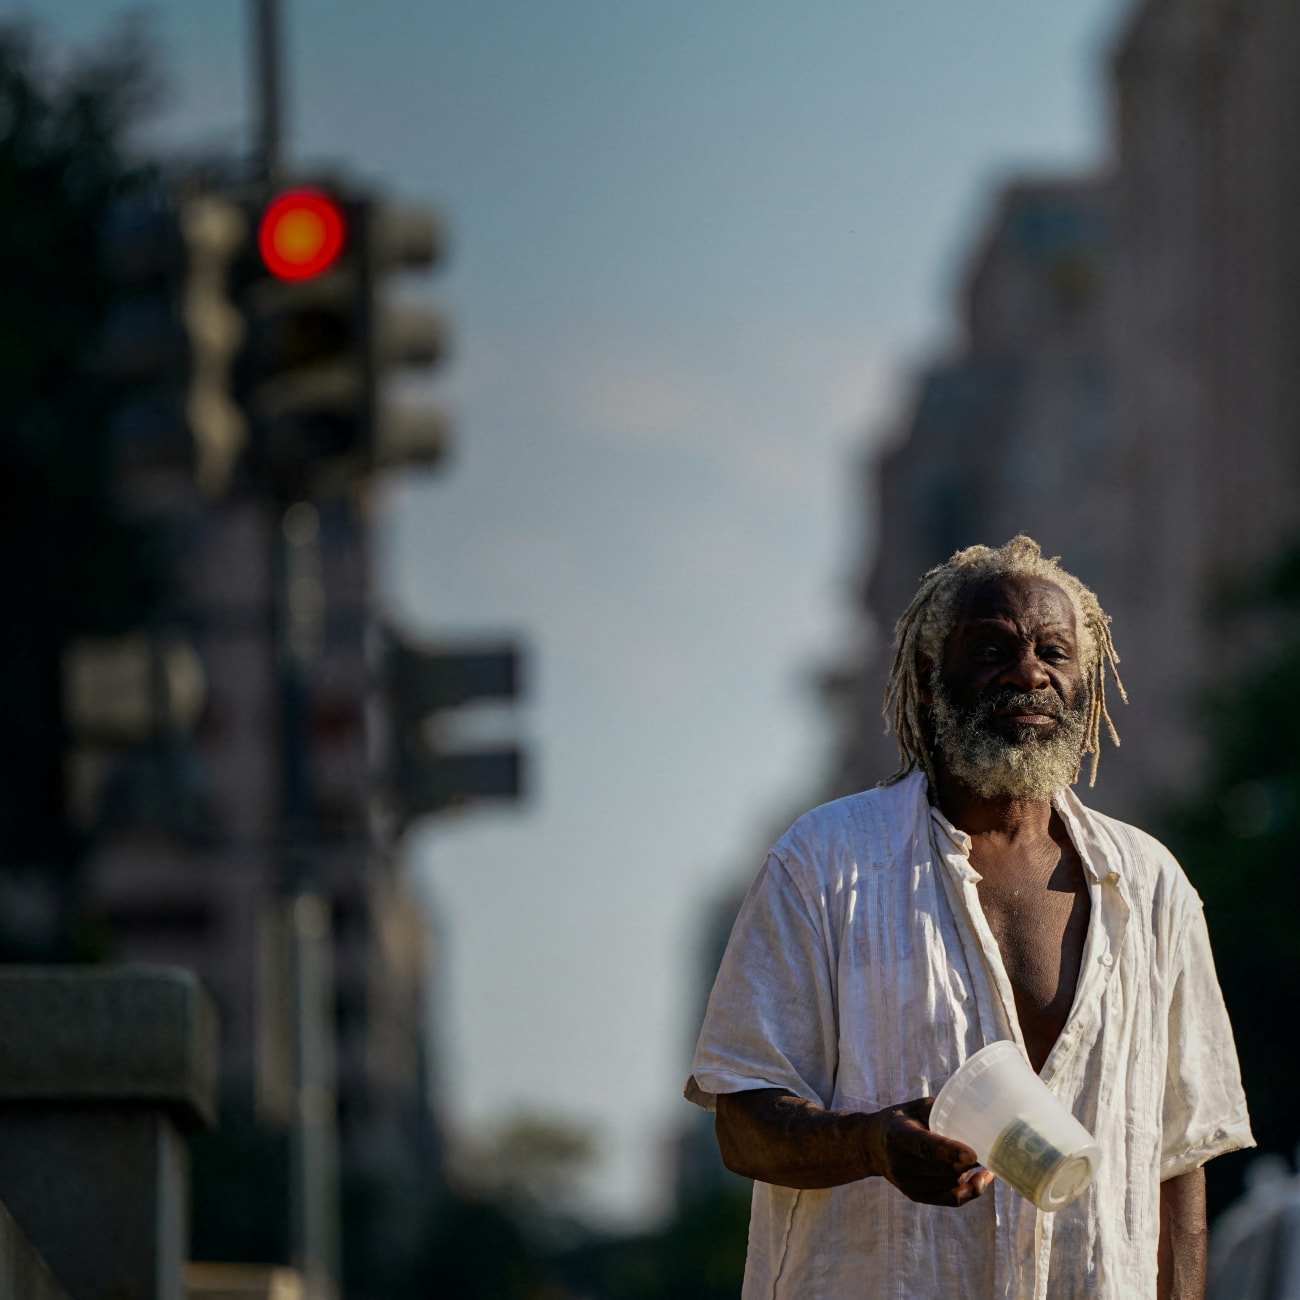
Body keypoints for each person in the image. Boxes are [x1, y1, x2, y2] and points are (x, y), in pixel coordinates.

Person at [686, 536, 1253, 1299]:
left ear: (1085, 682)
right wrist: (872, 1145)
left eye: (1055, 651)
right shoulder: (823, 864)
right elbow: (742, 1122)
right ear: (927, 678)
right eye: (992, 649)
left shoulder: (1151, 887)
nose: (1029, 673)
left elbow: (1181, 1157)